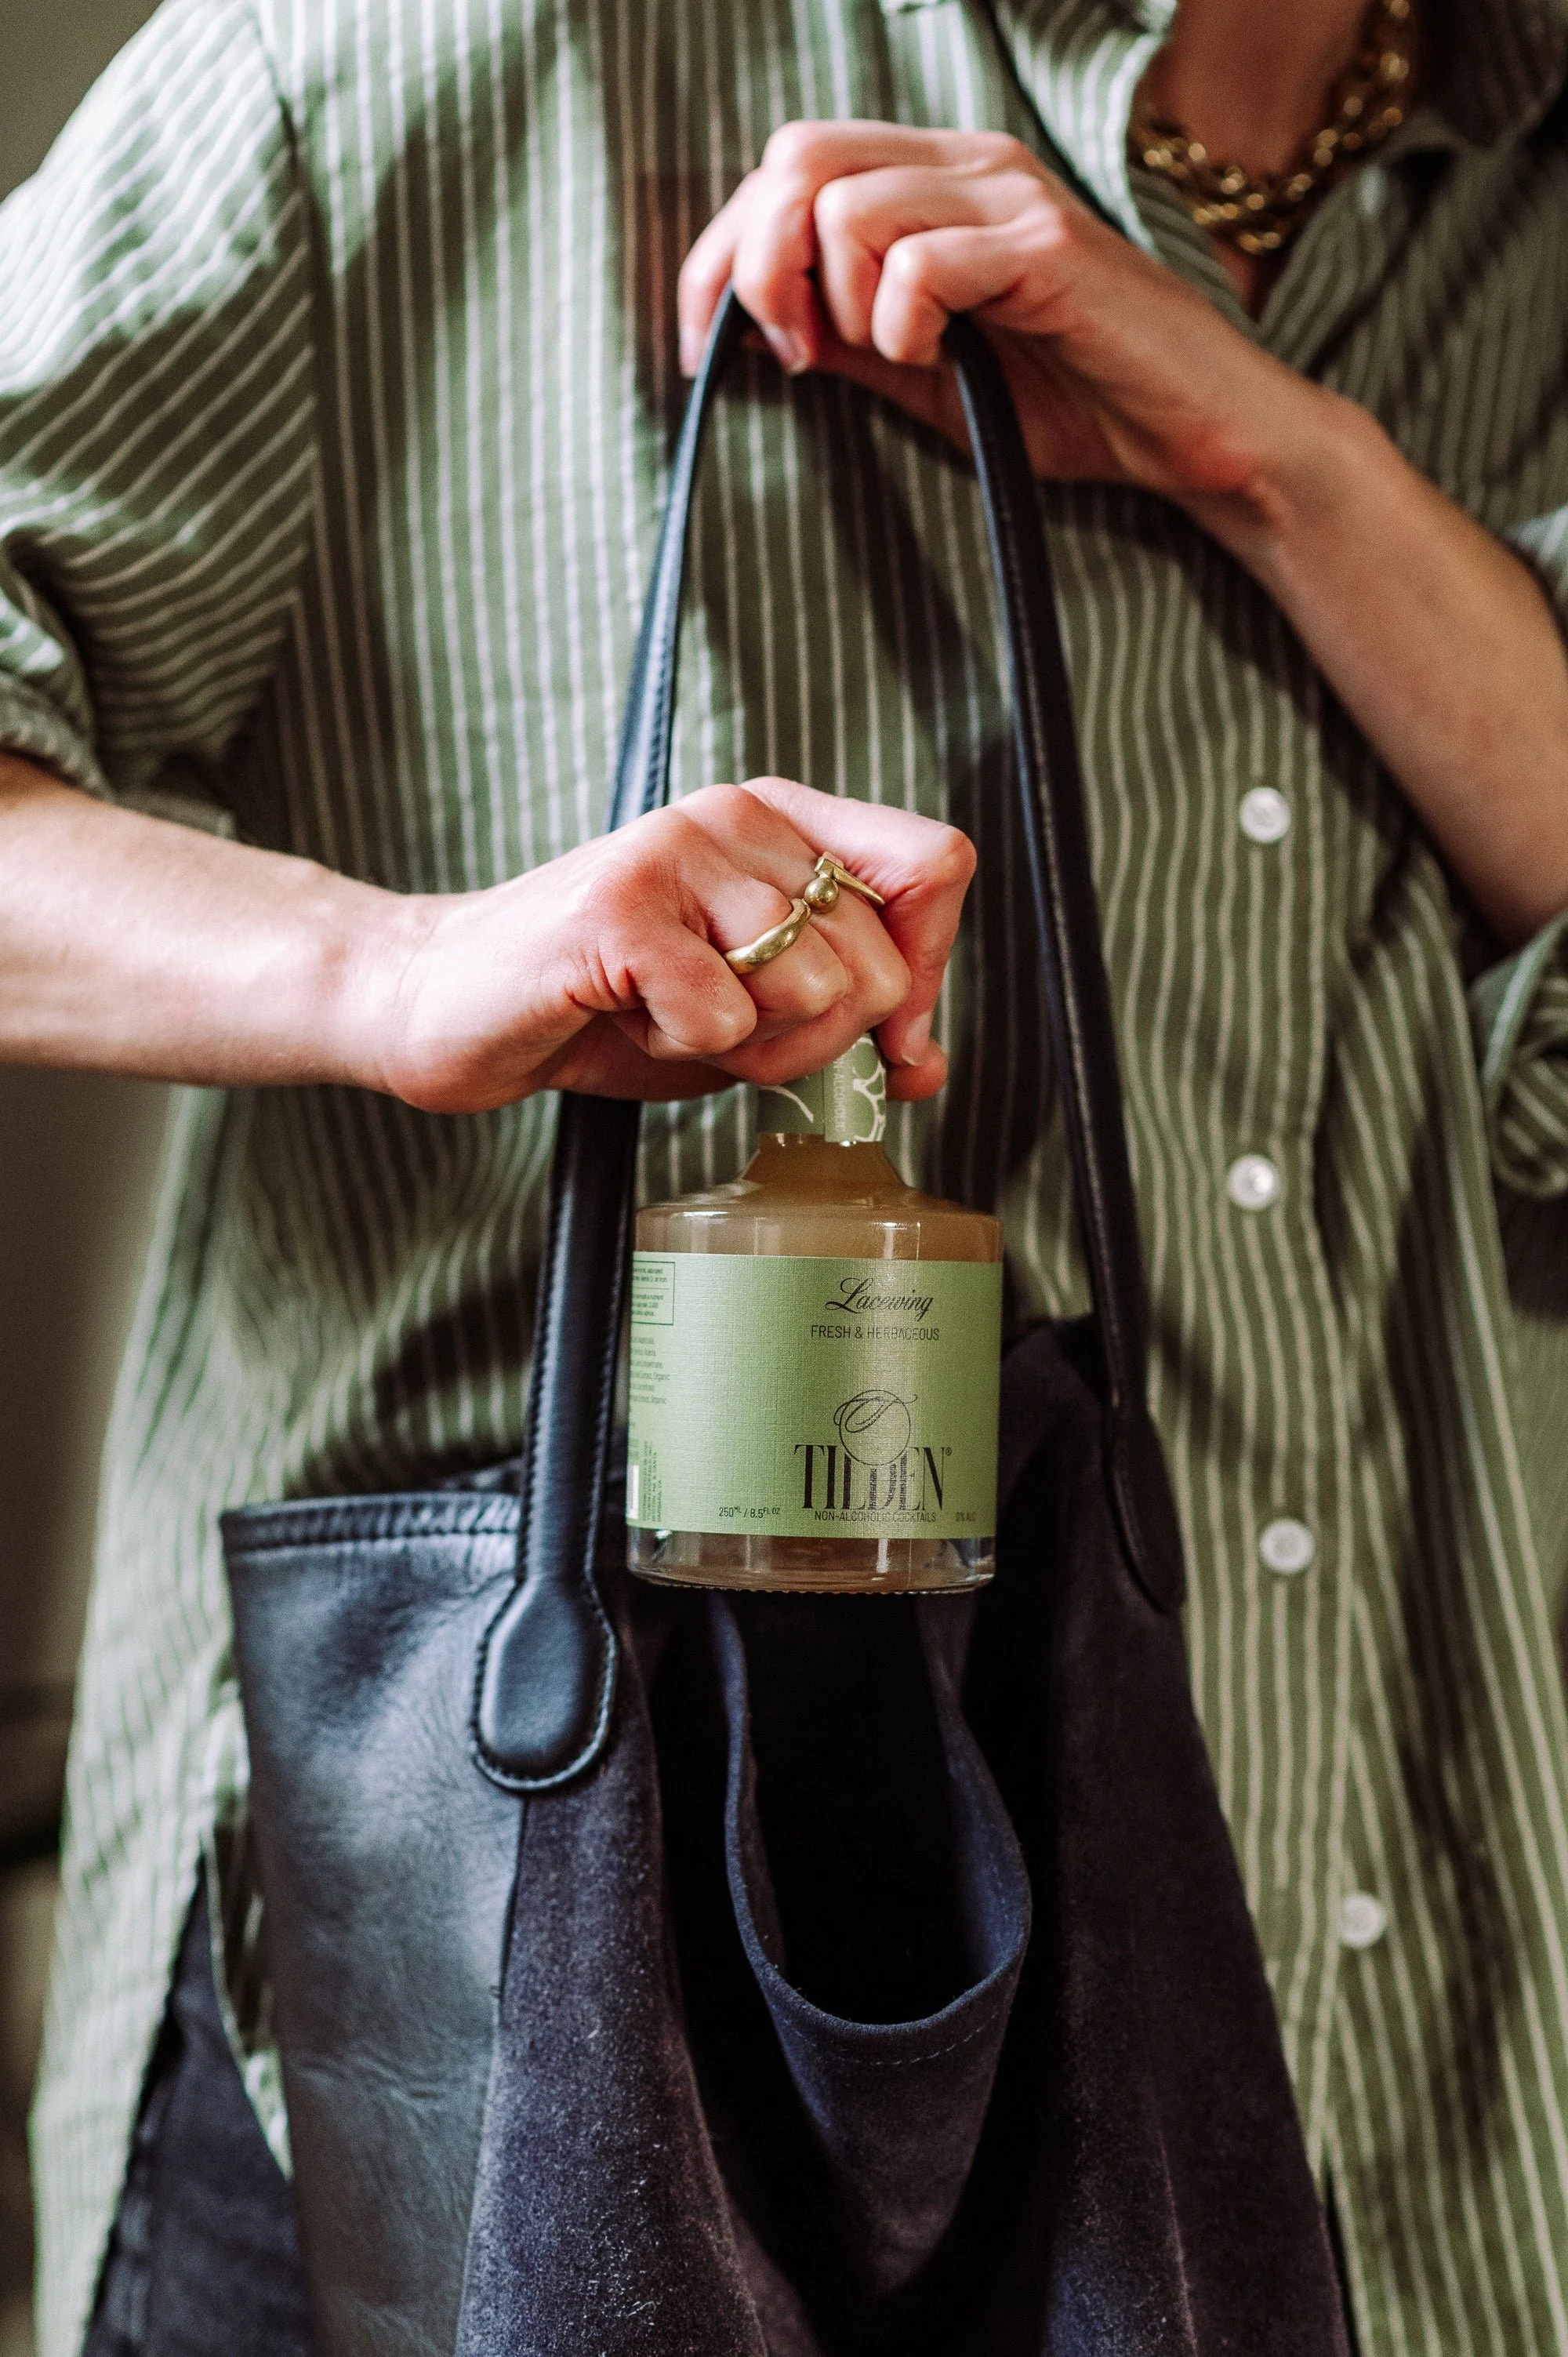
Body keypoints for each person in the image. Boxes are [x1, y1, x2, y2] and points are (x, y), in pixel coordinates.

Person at [5, 0, 1568, 2348]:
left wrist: (1284, 467)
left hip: (1375, 1986)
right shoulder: (421, 70)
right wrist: (397, 970)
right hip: (478, 2039)